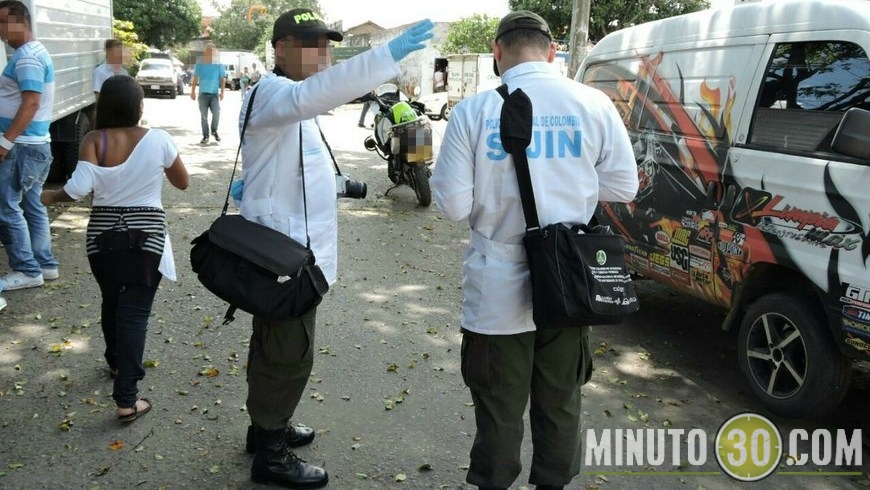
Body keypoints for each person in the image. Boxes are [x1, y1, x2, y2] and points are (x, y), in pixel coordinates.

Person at [430, 11, 639, 490]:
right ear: (551, 51)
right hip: (569, 281)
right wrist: (572, 186)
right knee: (561, 398)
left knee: (500, 405)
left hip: (497, 284)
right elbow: (625, 185)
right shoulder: (593, 103)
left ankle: (494, 482)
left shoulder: (472, 112)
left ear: (497, 52)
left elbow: (454, 205)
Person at [235, 8, 433, 488]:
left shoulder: (285, 100)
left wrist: (341, 184)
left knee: (275, 343)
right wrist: (387, 54)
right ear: (281, 48)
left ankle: (266, 428)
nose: (323, 53)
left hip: (289, 250)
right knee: (289, 350)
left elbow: (299, 164)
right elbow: (315, 95)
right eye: (311, 43)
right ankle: (272, 453)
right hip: (285, 255)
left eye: (326, 44)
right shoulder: (279, 93)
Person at [41, 75, 189, 422]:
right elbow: (182, 183)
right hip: (147, 236)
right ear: (140, 106)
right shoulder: (160, 139)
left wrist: (49, 196)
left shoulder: (95, 139)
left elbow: (77, 189)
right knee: (135, 312)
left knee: (112, 299)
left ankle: (114, 361)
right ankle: (127, 398)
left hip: (102, 235)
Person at [0, 0, 60, 292]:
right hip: (35, 144)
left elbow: (31, 102)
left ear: (22, 22)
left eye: (3, 22)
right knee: (32, 205)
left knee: (6, 207)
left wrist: (4, 140)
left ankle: (26, 269)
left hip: (21, 146)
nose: (0, 29)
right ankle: (44, 264)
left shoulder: (25, 58)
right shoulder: (35, 52)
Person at [190, 43, 225, 144]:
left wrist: (222, 92)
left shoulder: (219, 64)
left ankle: (214, 130)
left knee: (217, 113)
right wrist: (192, 92)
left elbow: (222, 79)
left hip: (214, 94)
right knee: (204, 117)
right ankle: (205, 136)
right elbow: (195, 78)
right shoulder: (200, 63)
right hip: (203, 94)